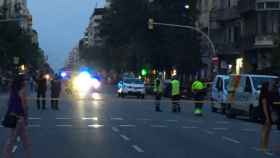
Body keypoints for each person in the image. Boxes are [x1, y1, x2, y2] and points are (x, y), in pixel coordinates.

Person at [2, 75, 32, 158]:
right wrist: (26, 117)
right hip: (19, 117)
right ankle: (6, 155)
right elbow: (24, 106)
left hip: (13, 115)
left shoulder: (13, 90)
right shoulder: (22, 91)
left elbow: (8, 103)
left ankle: (27, 155)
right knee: (13, 139)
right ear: (21, 82)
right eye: (24, 80)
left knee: (24, 139)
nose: (26, 82)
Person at [259, 82, 273, 152]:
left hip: (266, 114)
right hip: (265, 114)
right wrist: (267, 118)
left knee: (266, 131)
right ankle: (263, 146)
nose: (270, 87)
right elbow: (264, 106)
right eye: (268, 86)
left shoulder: (264, 94)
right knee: (265, 131)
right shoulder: (264, 95)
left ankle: (264, 146)